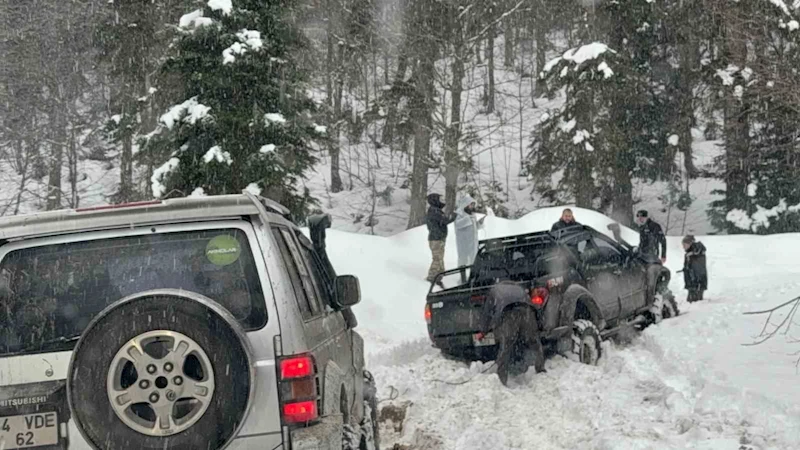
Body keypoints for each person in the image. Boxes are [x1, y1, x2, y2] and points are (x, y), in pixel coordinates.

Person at [478, 281, 545, 386]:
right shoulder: (519, 288)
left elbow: (487, 312)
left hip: (509, 313)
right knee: (534, 342)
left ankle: (501, 380)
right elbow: (534, 306)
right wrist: (539, 325)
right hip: (527, 311)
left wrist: (483, 331)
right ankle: (540, 369)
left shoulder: (494, 290)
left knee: (506, 346)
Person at [425, 193, 455, 284]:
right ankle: (431, 277)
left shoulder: (435, 210)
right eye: (439, 199)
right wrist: (454, 216)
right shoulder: (434, 211)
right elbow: (445, 220)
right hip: (436, 238)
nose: (441, 201)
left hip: (438, 238)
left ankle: (440, 274)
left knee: (440, 257)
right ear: (434, 201)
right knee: (437, 258)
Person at [454, 195, 485, 269]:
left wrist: (479, 223)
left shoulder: (472, 214)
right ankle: (463, 277)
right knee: (463, 259)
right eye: (471, 204)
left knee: (474, 259)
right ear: (466, 204)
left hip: (473, 241)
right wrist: (468, 219)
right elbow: (458, 225)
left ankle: (473, 275)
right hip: (463, 242)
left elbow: (474, 227)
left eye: (473, 205)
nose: (472, 206)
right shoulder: (460, 214)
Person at [682, 235, 707, 302]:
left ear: (690, 243)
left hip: (697, 283)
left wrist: (692, 253)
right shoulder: (687, 254)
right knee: (690, 300)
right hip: (691, 283)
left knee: (696, 301)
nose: (683, 246)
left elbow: (699, 249)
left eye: (685, 244)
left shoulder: (698, 250)